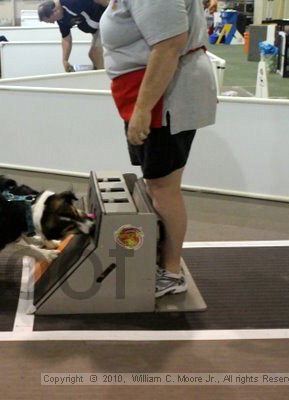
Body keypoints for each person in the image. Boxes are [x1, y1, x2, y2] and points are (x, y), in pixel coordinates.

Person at [100, 0, 217, 297]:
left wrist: (142, 109)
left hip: (163, 98)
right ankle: (160, 259)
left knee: (165, 189)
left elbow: (168, 46)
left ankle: (172, 272)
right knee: (157, 185)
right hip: (147, 93)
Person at [38, 0, 108, 72]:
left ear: (55, 11)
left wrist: (109, 8)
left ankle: (102, 77)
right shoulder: (61, 19)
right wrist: (65, 60)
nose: (53, 22)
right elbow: (66, 39)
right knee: (92, 55)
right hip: (96, 30)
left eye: (51, 20)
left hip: (104, 21)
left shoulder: (70, 3)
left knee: (97, 53)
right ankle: (98, 73)